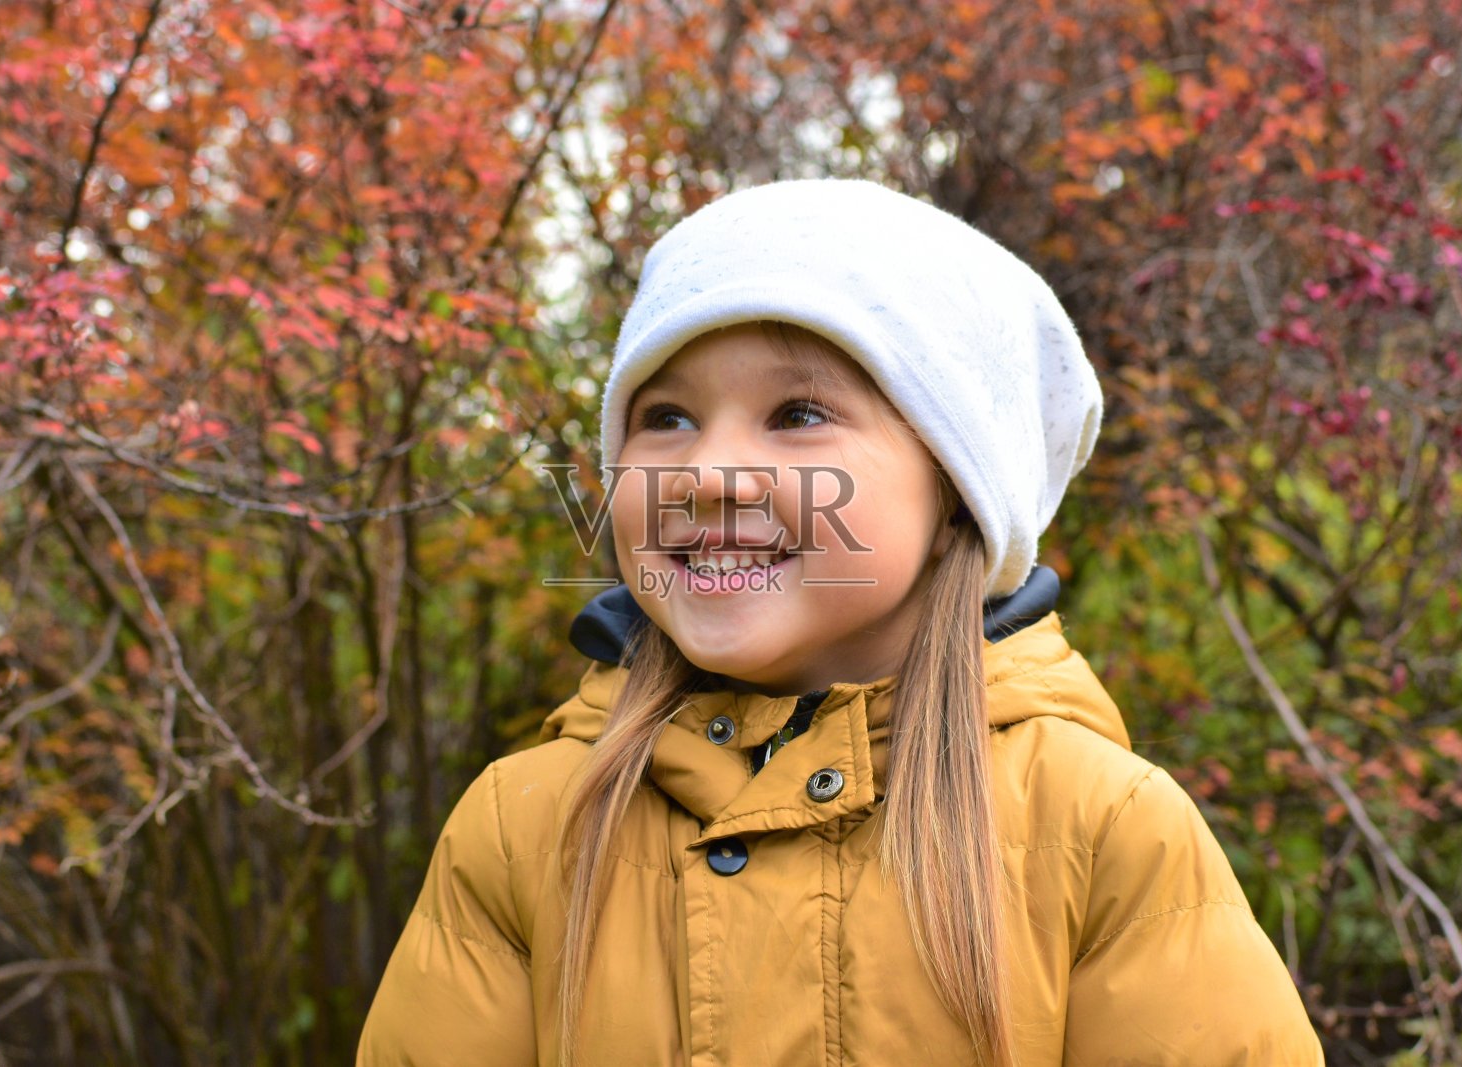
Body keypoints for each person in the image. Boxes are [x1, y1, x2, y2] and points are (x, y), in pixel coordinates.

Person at [355, 179, 1324, 1065]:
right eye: (666, 418)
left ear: (956, 489)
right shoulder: (525, 827)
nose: (705, 472)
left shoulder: (1099, 829)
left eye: (798, 413)